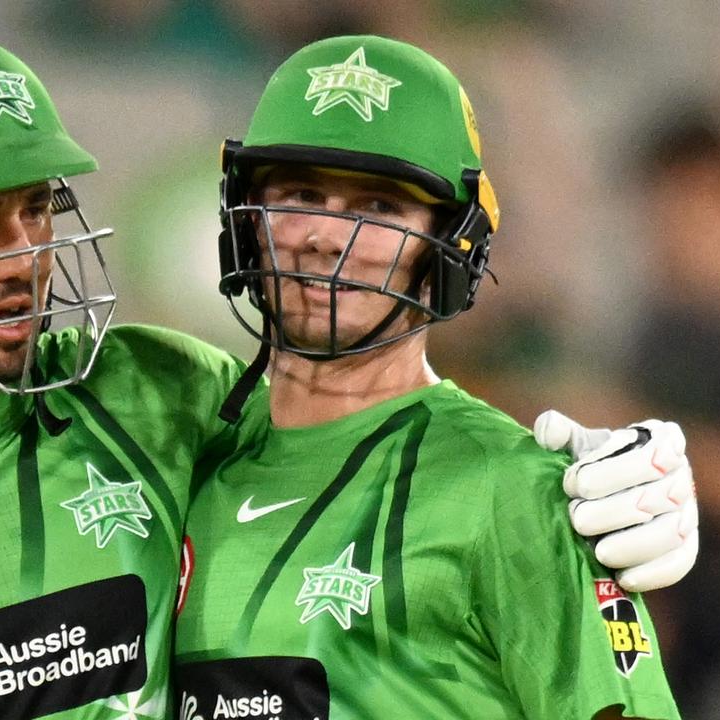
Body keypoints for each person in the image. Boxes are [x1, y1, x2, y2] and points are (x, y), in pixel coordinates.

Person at [0, 31, 695, 720]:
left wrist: (622, 479)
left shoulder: (153, 395)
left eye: (35, 208)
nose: (19, 256)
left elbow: (389, 436)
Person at [170, 36, 682, 718]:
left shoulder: (512, 490)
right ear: (246, 219)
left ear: (449, 247)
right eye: (301, 193)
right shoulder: (183, 465)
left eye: (378, 208)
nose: (328, 236)